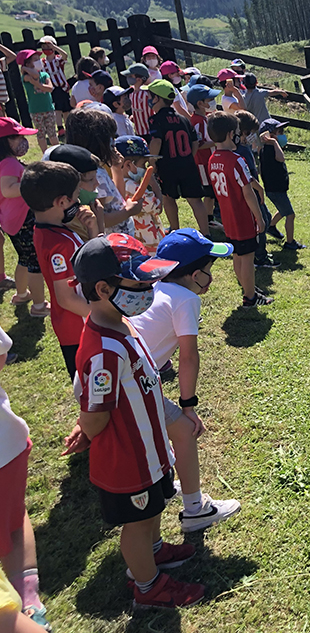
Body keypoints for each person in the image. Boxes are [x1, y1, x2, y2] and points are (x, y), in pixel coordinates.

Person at [71, 234, 206, 610]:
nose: (149, 290)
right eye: (140, 283)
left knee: (152, 512)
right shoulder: (104, 352)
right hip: (128, 460)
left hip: (149, 449)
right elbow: (95, 417)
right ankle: (147, 587)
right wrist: (85, 427)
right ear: (103, 288)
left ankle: (155, 551)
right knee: (138, 522)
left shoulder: (121, 323)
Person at [130, 229, 241, 532]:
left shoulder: (155, 286)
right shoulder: (186, 299)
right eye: (208, 271)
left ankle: (169, 480)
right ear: (194, 275)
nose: (211, 278)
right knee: (184, 428)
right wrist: (188, 406)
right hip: (128, 385)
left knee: (159, 433)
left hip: (116, 375)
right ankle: (195, 509)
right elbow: (189, 356)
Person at [21, 160, 94, 379]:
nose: (79, 200)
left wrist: (92, 230)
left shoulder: (47, 229)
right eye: (77, 194)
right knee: (93, 393)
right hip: (80, 330)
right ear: (63, 201)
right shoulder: (60, 245)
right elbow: (66, 298)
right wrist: (102, 317)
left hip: (76, 327)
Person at [0, 325, 52, 631]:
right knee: (14, 515)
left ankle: (24, 603)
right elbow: (2, 352)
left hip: (6, 444)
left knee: (14, 514)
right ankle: (28, 600)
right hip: (7, 443)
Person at [207, 113, 272, 307]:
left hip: (227, 216)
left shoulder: (212, 159)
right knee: (247, 258)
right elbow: (247, 192)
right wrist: (259, 218)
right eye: (236, 132)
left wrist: (256, 186)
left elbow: (237, 179)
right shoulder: (237, 159)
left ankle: (248, 289)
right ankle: (250, 297)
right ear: (230, 134)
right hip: (242, 216)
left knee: (237, 255)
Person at [65, 107, 140, 237]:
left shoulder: (99, 169)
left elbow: (116, 199)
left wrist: (117, 169)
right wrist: (128, 211)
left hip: (122, 239)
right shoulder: (93, 176)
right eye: (110, 137)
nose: (114, 142)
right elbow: (102, 218)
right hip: (112, 243)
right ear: (97, 141)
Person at [147, 80, 209, 236]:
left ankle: (175, 229)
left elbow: (157, 140)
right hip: (187, 164)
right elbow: (195, 142)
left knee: (169, 198)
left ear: (157, 99)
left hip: (167, 166)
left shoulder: (155, 120)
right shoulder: (184, 119)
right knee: (195, 200)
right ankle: (206, 232)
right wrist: (189, 156)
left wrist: (152, 161)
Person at [0, 118, 49, 318]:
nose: (22, 141)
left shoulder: (5, 162)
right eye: (17, 137)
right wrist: (32, 184)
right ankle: (39, 306)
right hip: (22, 219)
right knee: (35, 262)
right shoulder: (9, 163)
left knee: (24, 258)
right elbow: (8, 189)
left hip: (11, 220)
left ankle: (21, 294)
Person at [232, 112, 277, 267]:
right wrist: (259, 189)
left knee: (266, 217)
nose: (252, 136)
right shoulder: (241, 151)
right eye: (250, 133)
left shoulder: (240, 148)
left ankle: (259, 252)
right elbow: (248, 175)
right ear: (243, 132)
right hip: (252, 192)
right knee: (261, 222)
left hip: (252, 191)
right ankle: (260, 256)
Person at [259, 119, 305, 252]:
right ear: (269, 135)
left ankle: (271, 226)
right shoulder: (269, 149)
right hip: (275, 189)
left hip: (277, 189)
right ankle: (290, 243)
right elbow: (281, 158)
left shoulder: (269, 147)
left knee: (283, 209)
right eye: (279, 132)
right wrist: (273, 142)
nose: (282, 134)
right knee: (290, 215)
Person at [114, 136, 164, 252]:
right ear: (128, 165)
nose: (145, 169)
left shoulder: (116, 184)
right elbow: (158, 207)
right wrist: (153, 183)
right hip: (148, 244)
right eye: (143, 164)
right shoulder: (134, 187)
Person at [45, 144, 104, 239]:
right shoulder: (70, 222)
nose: (97, 183)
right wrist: (99, 225)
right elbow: (95, 251)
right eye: (90, 179)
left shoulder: (84, 211)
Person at [186, 85, 221, 228]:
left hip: (209, 160)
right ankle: (208, 218)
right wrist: (218, 141)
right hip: (202, 162)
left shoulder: (205, 118)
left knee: (211, 192)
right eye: (210, 99)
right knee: (208, 192)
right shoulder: (197, 121)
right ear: (200, 103)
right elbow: (198, 144)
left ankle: (210, 217)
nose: (213, 102)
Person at [15, 51, 56, 153]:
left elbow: (50, 88)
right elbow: (35, 75)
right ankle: (45, 154)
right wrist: (25, 69)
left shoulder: (45, 74)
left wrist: (38, 85)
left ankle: (57, 151)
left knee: (52, 133)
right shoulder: (25, 77)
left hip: (48, 108)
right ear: (27, 64)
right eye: (35, 59)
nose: (39, 61)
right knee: (41, 134)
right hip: (36, 110)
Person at [37, 36, 71, 140]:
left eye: (48, 46)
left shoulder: (58, 60)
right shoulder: (43, 62)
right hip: (53, 88)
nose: (45, 48)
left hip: (63, 87)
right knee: (57, 109)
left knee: (66, 109)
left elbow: (65, 55)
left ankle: (68, 127)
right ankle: (60, 128)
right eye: (43, 46)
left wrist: (54, 47)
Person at [120, 63, 152, 138]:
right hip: (138, 131)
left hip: (149, 131)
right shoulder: (131, 92)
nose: (128, 78)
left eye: (130, 76)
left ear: (139, 79)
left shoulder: (147, 93)